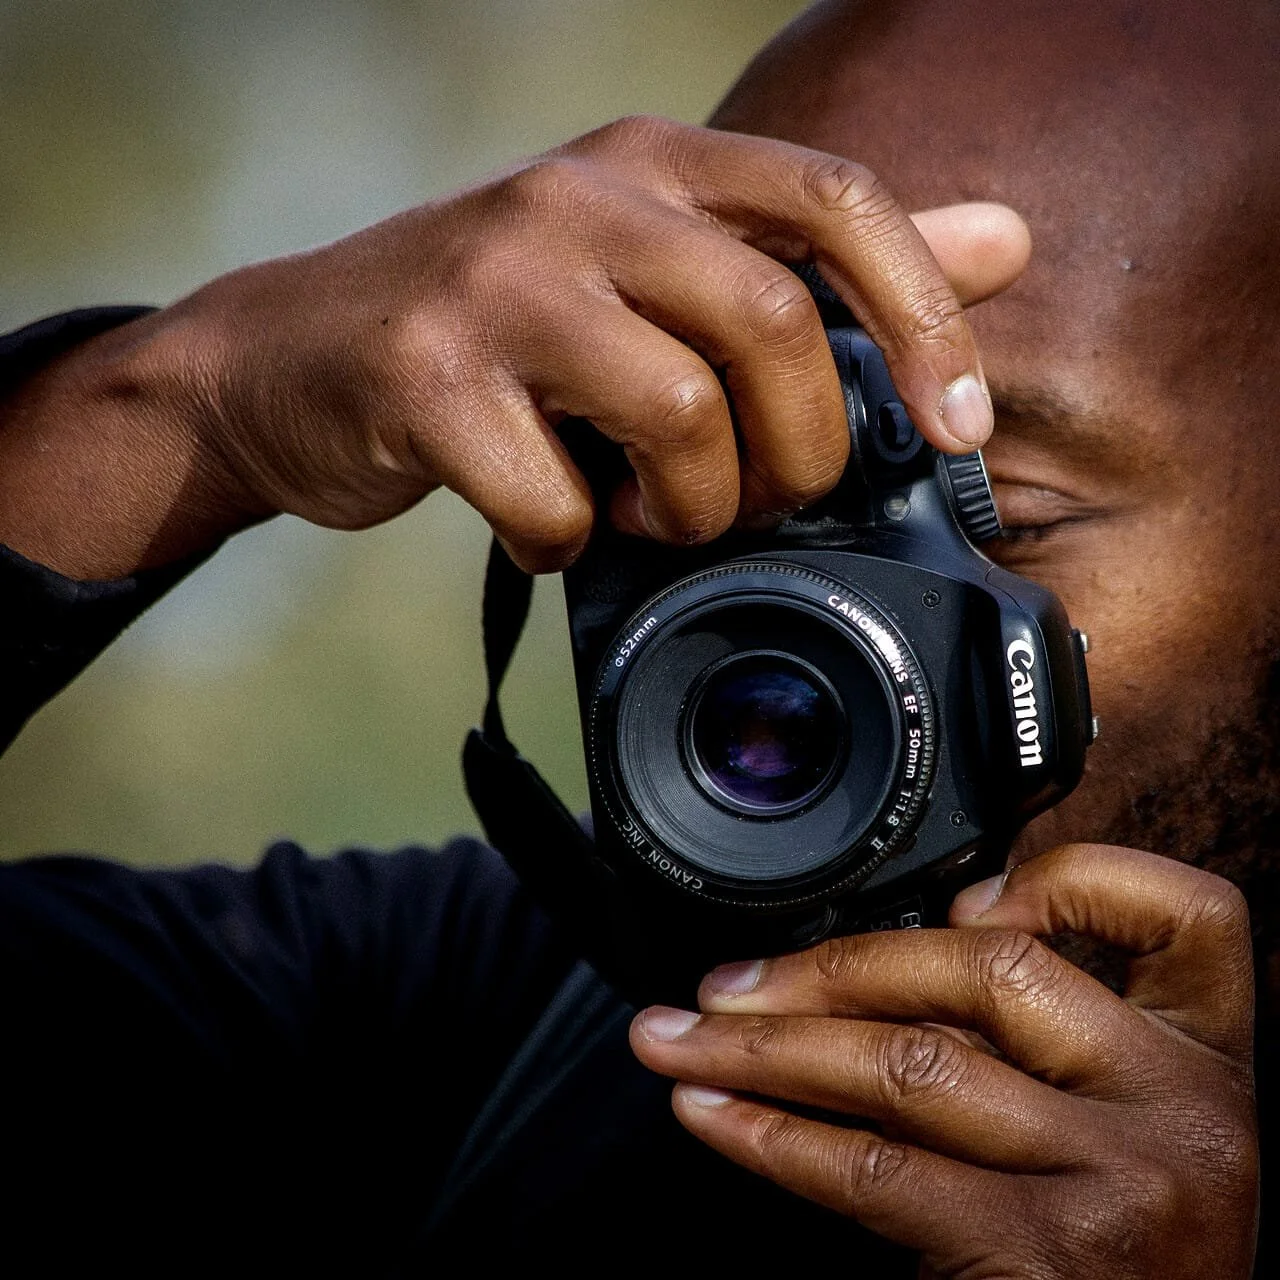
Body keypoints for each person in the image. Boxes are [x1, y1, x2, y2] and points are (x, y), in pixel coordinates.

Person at [0, 0, 1270, 1274]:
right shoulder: (495, 1023)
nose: (795, 625)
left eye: (993, 513)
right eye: (709, 482)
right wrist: (175, 405)